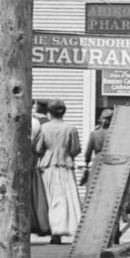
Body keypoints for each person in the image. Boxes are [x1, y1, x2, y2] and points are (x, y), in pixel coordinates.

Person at [33, 99, 82, 245]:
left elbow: (37, 149)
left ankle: (54, 231)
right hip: (65, 165)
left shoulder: (44, 128)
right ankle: (62, 229)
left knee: (50, 200)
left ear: (49, 112)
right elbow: (75, 149)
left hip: (47, 167)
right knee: (65, 199)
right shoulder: (71, 128)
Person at [29, 100, 51, 237]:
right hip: (34, 161)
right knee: (37, 195)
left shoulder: (35, 122)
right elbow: (37, 148)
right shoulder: (38, 123)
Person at [80, 108, 114, 186]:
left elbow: (87, 154)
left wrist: (86, 163)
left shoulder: (94, 134)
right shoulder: (113, 134)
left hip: (98, 159)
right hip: (110, 160)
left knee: (95, 183)